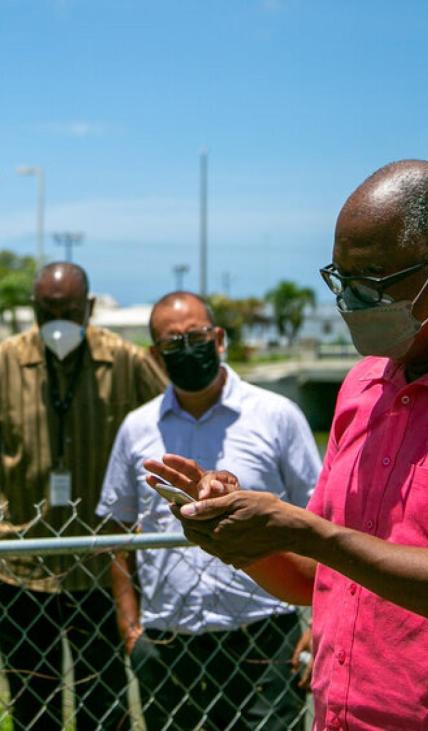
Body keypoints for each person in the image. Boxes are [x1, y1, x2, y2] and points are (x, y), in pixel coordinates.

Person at [148, 160, 428, 729]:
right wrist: (239, 533)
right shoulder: (364, 385)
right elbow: (320, 578)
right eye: (341, 279)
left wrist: (307, 531)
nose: (350, 302)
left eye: (372, 283)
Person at [97, 291, 321, 730]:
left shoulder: (277, 416)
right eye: (171, 342)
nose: (186, 349)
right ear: (154, 354)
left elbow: (320, 518)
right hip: (166, 641)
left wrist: (319, 621)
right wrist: (131, 630)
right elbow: (117, 531)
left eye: (195, 336)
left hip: (263, 636)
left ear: (218, 338)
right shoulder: (137, 428)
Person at [0, 262, 167, 730]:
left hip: (101, 568)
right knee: (33, 708)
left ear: (89, 308)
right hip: (20, 568)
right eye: (46, 311)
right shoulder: (2, 362)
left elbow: (168, 429)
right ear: (33, 308)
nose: (57, 322)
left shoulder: (126, 362)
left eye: (69, 311)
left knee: (106, 704)